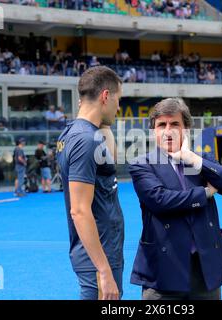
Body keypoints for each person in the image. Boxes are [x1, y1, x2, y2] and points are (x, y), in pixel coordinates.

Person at [128, 98, 222, 300]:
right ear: (154, 130)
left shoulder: (198, 161)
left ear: (186, 128)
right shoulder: (142, 164)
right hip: (164, 271)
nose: (168, 130)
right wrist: (204, 193)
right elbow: (160, 200)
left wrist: (192, 159)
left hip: (205, 268)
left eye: (175, 124)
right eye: (162, 125)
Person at [56, 66, 124, 300]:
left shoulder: (79, 133)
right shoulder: (85, 140)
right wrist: (104, 271)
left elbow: (110, 163)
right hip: (98, 260)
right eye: (117, 100)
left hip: (102, 253)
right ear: (106, 96)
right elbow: (79, 211)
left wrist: (101, 119)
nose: (118, 107)